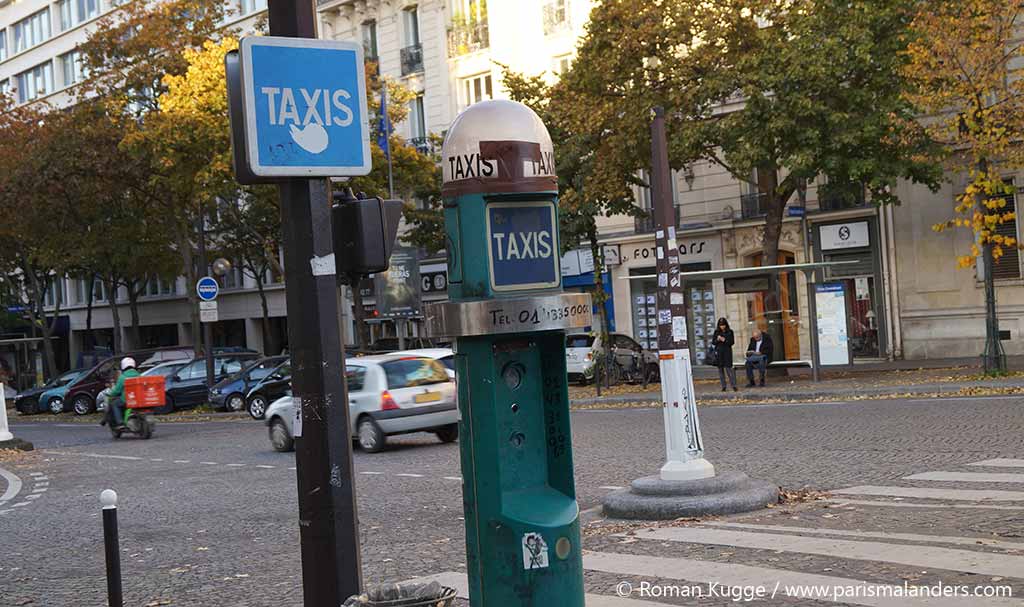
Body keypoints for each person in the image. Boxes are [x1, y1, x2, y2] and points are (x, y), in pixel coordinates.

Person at [104, 357, 139, 429]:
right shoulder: (139, 375)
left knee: (115, 404)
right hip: (138, 400)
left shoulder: (123, 377)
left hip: (126, 400)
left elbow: (117, 390)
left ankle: (120, 423)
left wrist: (110, 394)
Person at [711, 318, 737, 391]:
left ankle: (733, 385)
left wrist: (724, 340)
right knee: (720, 370)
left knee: (729, 369)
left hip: (727, 352)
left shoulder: (730, 332)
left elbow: (732, 342)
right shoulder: (716, 332)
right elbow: (713, 342)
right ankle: (723, 386)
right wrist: (717, 340)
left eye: (723, 325)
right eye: (720, 325)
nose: (722, 327)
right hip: (719, 353)